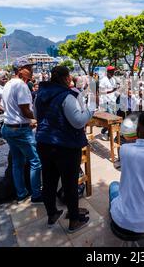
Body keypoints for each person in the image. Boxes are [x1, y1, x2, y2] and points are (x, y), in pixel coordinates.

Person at [35, 66, 95, 231]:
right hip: (65, 146)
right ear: (66, 78)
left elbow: (36, 116)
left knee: (48, 180)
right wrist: (90, 110)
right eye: (69, 77)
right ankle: (74, 219)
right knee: (69, 183)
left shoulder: (40, 94)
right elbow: (78, 121)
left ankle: (52, 214)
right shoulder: (67, 96)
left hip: (44, 143)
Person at [1, 57, 42, 203]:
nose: (31, 71)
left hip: (8, 127)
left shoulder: (8, 84)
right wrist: (37, 117)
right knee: (35, 162)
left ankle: (21, 193)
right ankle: (36, 194)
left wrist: (27, 119)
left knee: (17, 163)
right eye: (28, 68)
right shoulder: (21, 85)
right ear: (19, 70)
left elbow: (12, 109)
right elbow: (25, 110)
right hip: (20, 130)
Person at [99, 66, 118, 140]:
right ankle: (104, 132)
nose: (113, 73)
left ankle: (108, 134)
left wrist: (116, 91)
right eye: (111, 72)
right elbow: (100, 91)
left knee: (113, 119)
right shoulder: (103, 80)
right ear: (108, 72)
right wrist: (111, 91)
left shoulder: (113, 79)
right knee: (110, 119)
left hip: (112, 101)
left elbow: (114, 89)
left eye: (113, 72)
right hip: (105, 102)